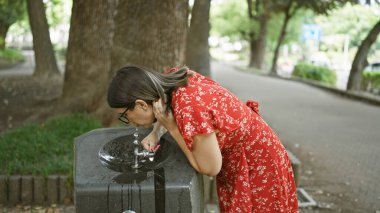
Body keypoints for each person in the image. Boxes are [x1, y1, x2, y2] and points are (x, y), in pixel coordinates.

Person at [107, 65, 298, 213]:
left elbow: (210, 168)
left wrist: (172, 128)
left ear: (141, 104)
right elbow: (166, 107)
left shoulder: (189, 108)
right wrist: (156, 132)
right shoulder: (170, 84)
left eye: (124, 115)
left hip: (258, 164)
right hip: (255, 150)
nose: (128, 122)